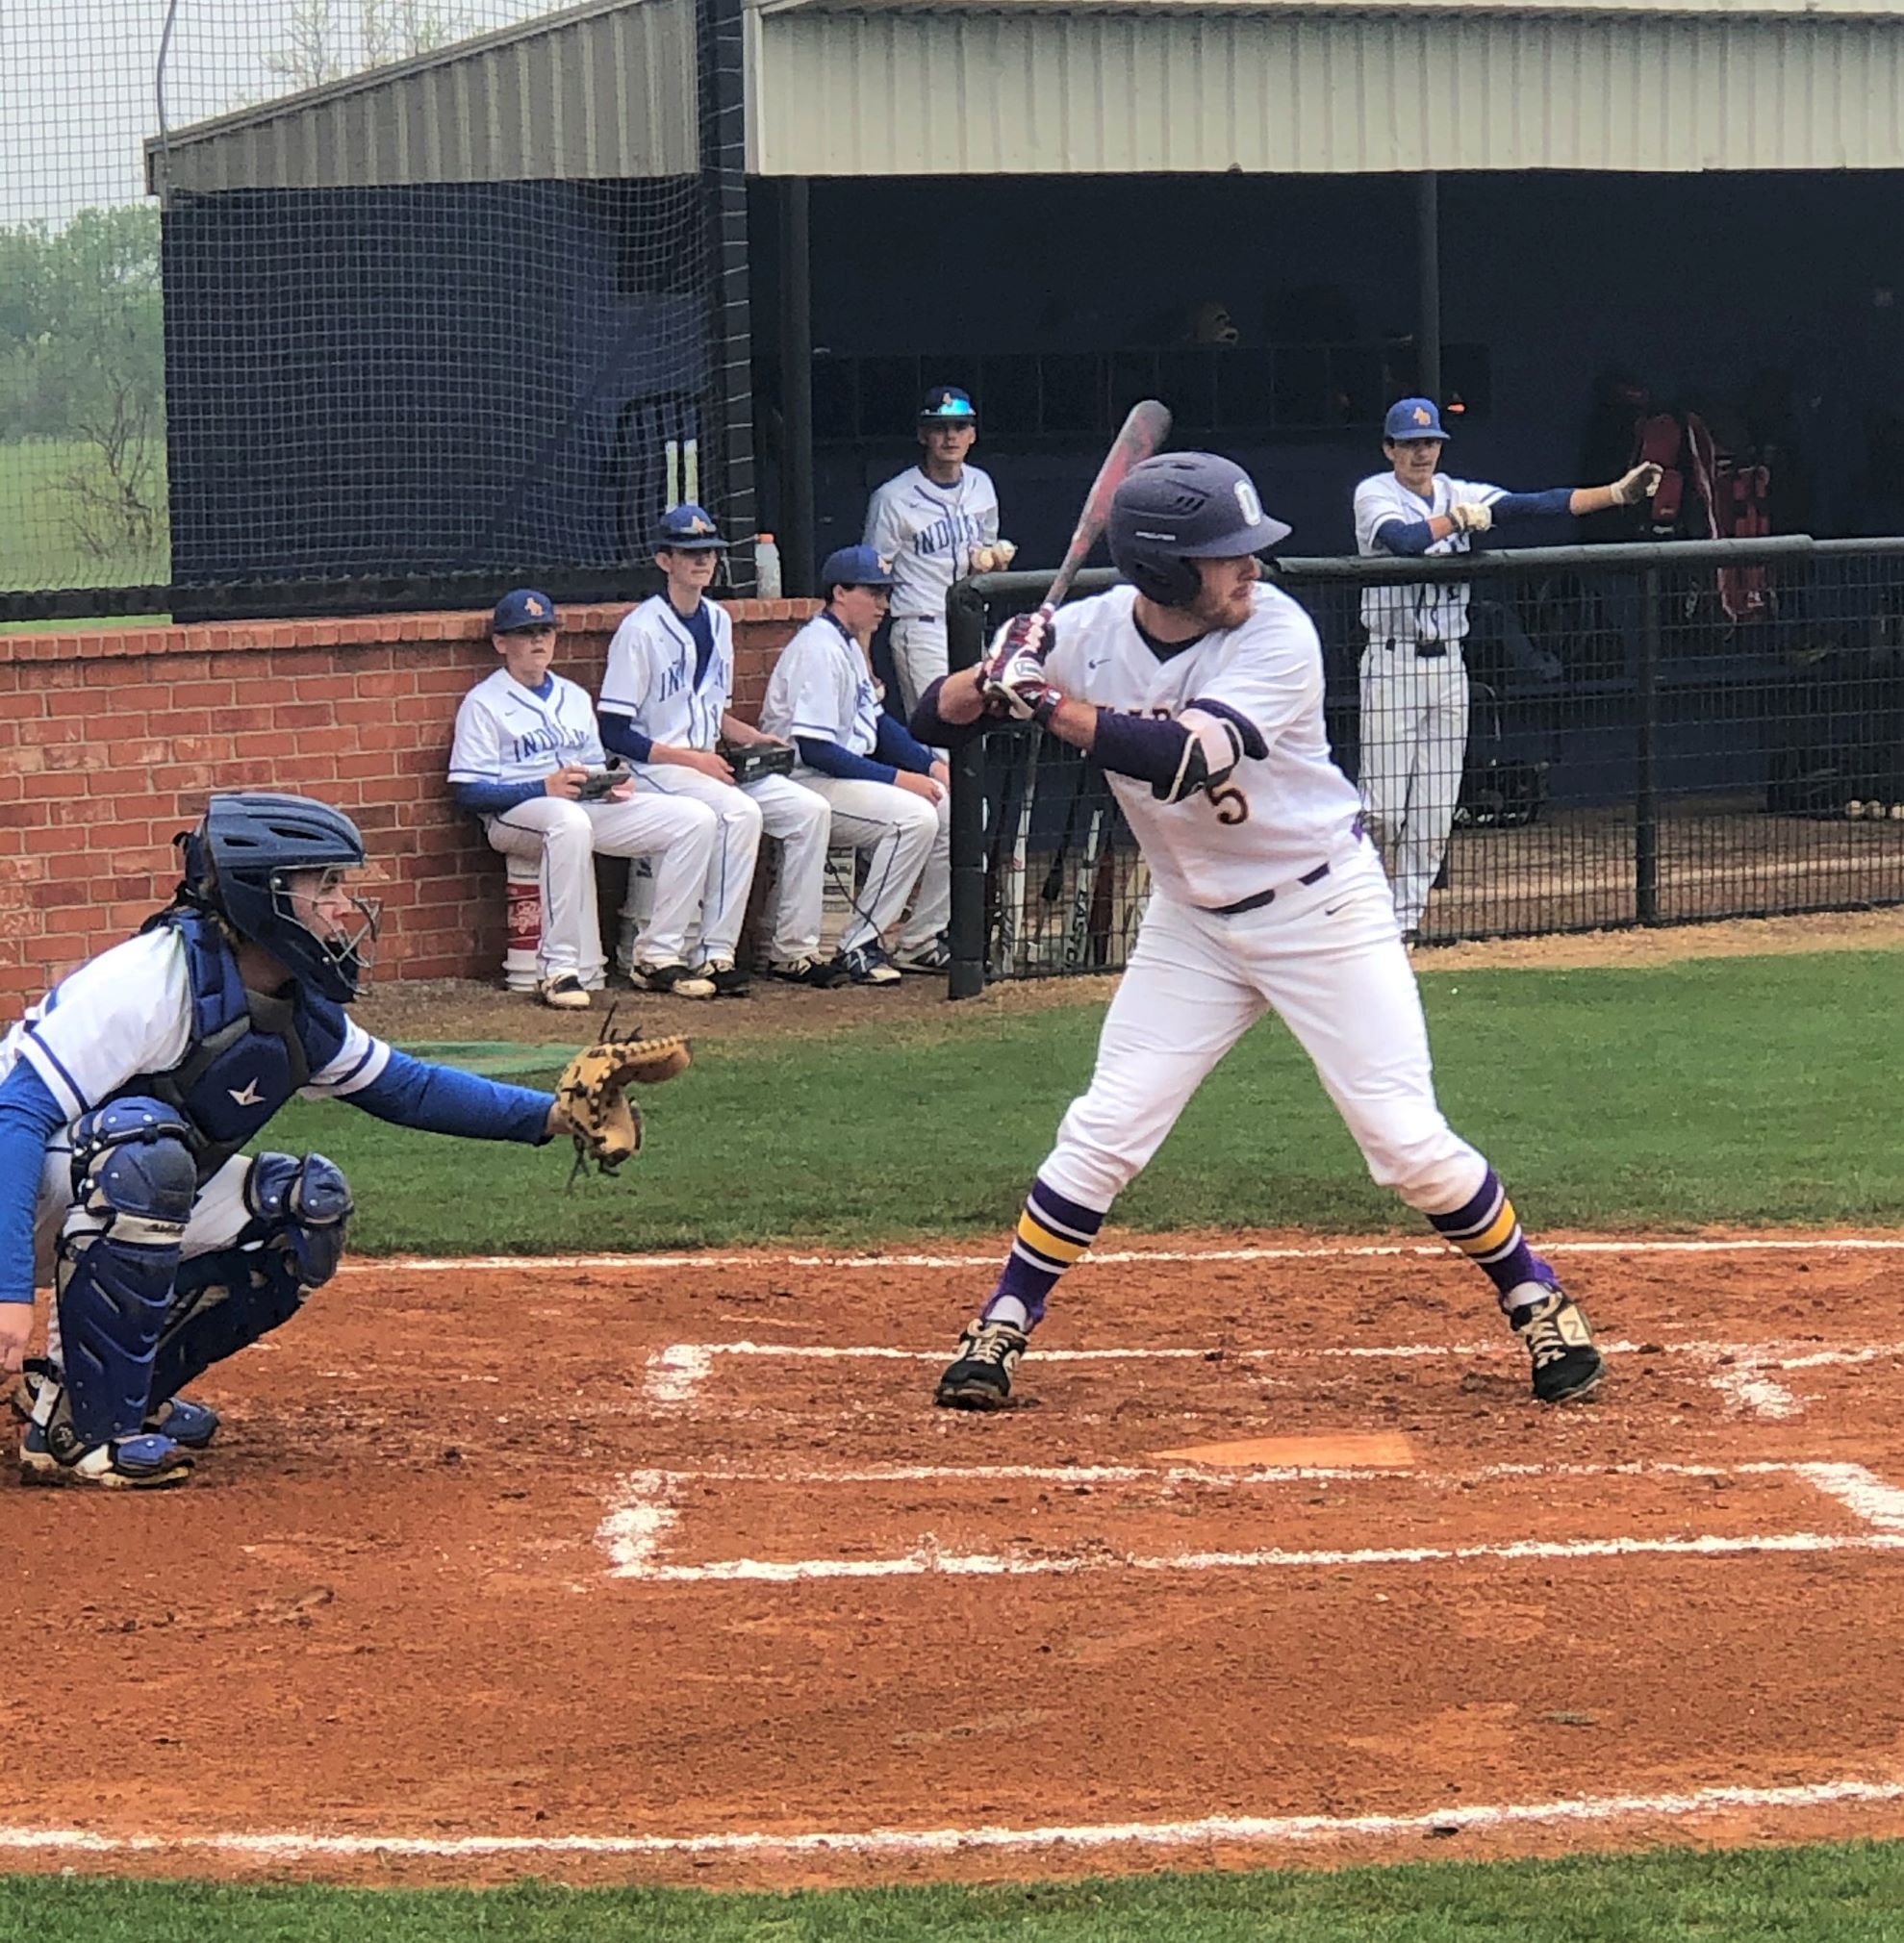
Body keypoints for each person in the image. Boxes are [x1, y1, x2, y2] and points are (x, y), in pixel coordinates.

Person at [910, 452, 1605, 1413]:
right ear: (1161, 571)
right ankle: (1001, 1322)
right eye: (1224, 555)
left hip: (1321, 909)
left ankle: (1534, 1294)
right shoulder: (1089, 632)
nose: (1248, 568)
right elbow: (927, 719)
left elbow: (1182, 760)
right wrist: (991, 673)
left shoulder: (1273, 632)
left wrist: (1042, 701)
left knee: (1403, 1143)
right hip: (1191, 925)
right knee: (1105, 1126)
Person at [0, 793, 590, 1487]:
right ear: (264, 895)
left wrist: (552, 1116)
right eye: (327, 886)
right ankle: (93, 1440)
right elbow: (16, 1116)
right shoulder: (151, 980)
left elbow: (408, 1087)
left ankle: (87, 1400)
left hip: (83, 1190)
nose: (345, 907)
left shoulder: (289, 1007)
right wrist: (10, 1292)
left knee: (304, 1207)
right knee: (146, 1158)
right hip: (22, 1188)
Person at [1353, 398, 1661, 942]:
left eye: (1429, 443)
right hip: (1393, 658)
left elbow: (1531, 506)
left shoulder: (1458, 489)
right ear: (1390, 449)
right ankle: (1359, 913)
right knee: (1379, 810)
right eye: (1409, 443)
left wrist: (1614, 494)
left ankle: (1400, 930)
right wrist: (1455, 521)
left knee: (1432, 813)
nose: (1421, 452)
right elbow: (1401, 540)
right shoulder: (1374, 492)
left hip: (1449, 663)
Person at [598, 506, 842, 994]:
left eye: (708, 552)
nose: (701, 561)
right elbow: (614, 731)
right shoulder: (640, 629)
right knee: (737, 814)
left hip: (709, 762)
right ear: (664, 560)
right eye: (689, 553)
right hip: (652, 765)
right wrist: (694, 761)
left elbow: (712, 711)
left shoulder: (718, 619)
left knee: (810, 809)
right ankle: (710, 954)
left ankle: (793, 949)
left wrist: (750, 737)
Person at [448, 588, 720, 1005]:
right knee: (567, 821)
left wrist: (610, 785)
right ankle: (558, 970)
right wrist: (541, 788)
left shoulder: (574, 697)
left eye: (545, 630)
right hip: (514, 814)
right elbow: (467, 792)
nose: (538, 641)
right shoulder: (483, 702)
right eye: (525, 633)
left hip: (581, 806)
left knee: (695, 818)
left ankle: (658, 956)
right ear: (501, 643)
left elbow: (594, 766)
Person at [758, 545, 952, 984]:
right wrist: (900, 778)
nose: (883, 605)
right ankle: (859, 944)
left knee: (953, 806)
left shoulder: (847, 644)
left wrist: (931, 765)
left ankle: (922, 938)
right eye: (874, 593)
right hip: (801, 778)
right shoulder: (819, 648)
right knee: (914, 818)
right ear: (840, 592)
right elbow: (815, 749)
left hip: (837, 779)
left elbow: (878, 724)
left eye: (886, 594)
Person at [863, 385, 1015, 720]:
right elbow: (871, 575)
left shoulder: (982, 485)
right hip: (921, 625)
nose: (950, 437)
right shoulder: (893, 498)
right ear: (923, 435)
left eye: (960, 427)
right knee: (939, 730)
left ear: (972, 434)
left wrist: (993, 560)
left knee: (975, 729)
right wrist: (863, 651)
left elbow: (986, 554)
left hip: (970, 624)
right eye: (939, 428)